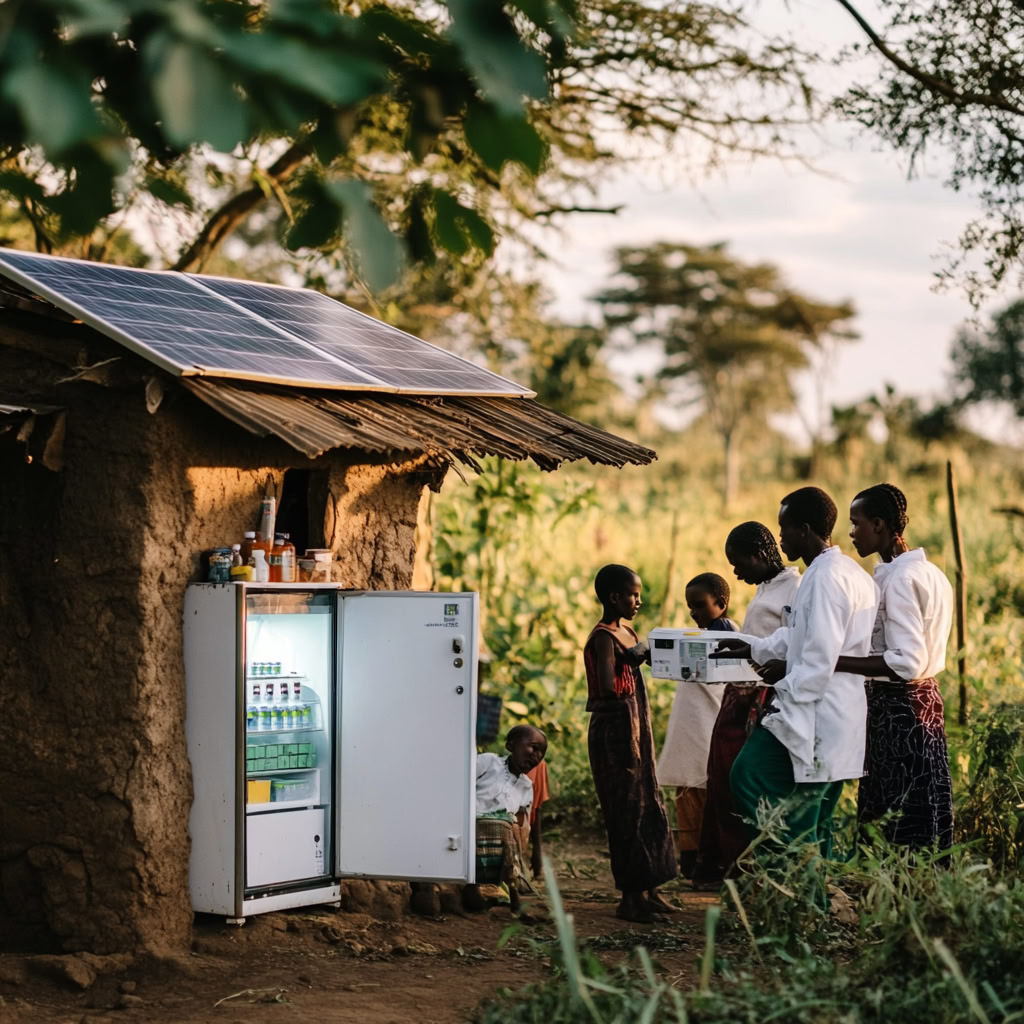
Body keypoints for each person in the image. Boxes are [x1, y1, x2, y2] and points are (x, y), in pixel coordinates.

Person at [716, 487, 877, 859]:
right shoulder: (841, 572)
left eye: (784, 529)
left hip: (817, 714)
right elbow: (799, 635)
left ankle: (790, 881)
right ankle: (814, 905)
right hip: (835, 715)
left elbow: (819, 659)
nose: (780, 538)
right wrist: (753, 646)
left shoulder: (825, 579)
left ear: (805, 530)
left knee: (749, 777)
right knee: (814, 819)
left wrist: (778, 692)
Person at [840, 482, 954, 849]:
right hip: (925, 702)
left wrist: (834, 662)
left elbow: (906, 661)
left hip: (900, 709)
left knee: (896, 810)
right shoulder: (929, 573)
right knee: (924, 799)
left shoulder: (902, 580)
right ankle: (919, 891)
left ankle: (895, 894)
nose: (852, 533)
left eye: (856, 523)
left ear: (880, 525)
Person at [693, 522, 802, 886]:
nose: (736, 573)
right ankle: (723, 866)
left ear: (758, 556)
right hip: (737, 696)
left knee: (743, 781)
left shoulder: (795, 589)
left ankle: (747, 867)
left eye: (739, 564)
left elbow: (791, 649)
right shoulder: (765, 587)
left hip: (761, 699)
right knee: (721, 781)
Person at [584, 563, 678, 923]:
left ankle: (652, 889)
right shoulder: (605, 637)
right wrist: (634, 656)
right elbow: (608, 686)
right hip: (615, 732)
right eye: (632, 595)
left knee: (648, 801)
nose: (638, 601)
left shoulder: (626, 630)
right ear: (613, 597)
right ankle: (630, 898)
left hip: (637, 726)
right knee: (625, 810)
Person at [656, 573, 737, 878]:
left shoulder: (726, 633)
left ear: (721, 603)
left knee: (700, 791)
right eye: (690, 607)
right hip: (693, 726)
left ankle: (703, 860)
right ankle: (692, 859)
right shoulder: (704, 634)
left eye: (700, 606)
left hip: (706, 724)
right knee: (690, 791)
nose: (694, 613)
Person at [468, 724, 548, 912]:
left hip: (500, 838)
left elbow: (521, 821)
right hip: (470, 826)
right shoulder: (489, 762)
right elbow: (461, 780)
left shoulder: (526, 786)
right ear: (511, 745)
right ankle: (475, 887)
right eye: (533, 748)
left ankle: (508, 888)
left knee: (509, 831)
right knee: (500, 827)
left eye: (541, 754)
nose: (536, 756)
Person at [525, 760, 550, 879]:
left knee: (530, 837)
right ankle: (537, 869)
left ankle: (536, 869)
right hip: (531, 804)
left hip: (528, 804)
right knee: (535, 838)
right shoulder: (541, 762)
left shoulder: (535, 762)